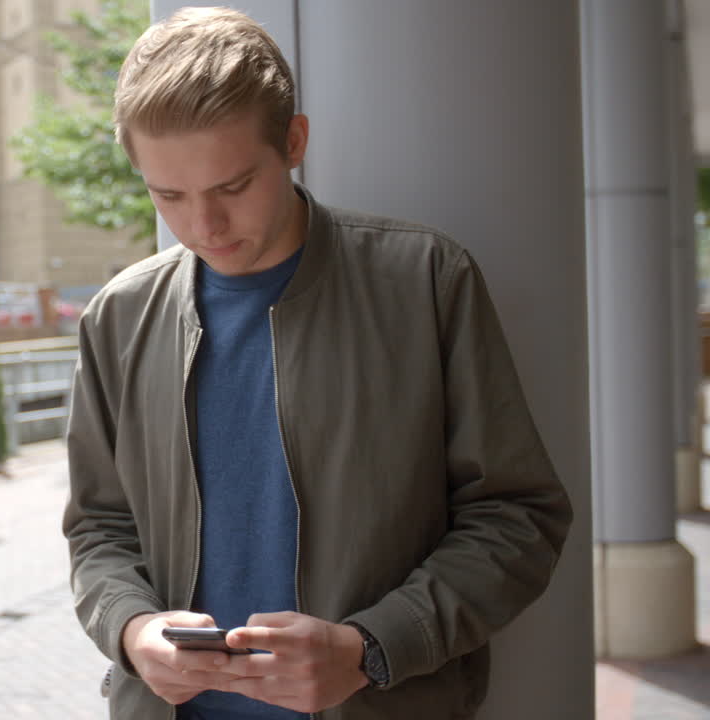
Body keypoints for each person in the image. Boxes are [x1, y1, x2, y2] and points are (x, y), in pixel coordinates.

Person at [62, 6, 574, 720]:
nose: (204, 226)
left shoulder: (425, 280)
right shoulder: (118, 318)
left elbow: (518, 516)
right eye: (168, 195)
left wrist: (370, 648)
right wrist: (132, 628)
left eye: (233, 186)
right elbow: (98, 528)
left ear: (294, 141)